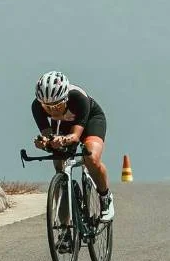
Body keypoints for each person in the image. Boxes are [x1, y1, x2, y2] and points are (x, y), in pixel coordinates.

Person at [31, 70, 114, 222]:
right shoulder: (37, 107)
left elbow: (75, 137)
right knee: (59, 166)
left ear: (65, 98)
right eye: (47, 106)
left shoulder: (78, 98)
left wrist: (62, 140)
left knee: (91, 157)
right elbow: (48, 135)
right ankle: (64, 229)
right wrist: (45, 142)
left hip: (90, 121)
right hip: (63, 126)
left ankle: (105, 197)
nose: (52, 110)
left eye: (56, 105)